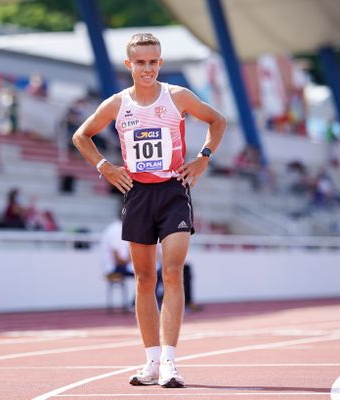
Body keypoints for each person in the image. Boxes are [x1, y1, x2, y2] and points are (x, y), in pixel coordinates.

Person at [72, 33, 226, 388]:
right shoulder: (117, 104)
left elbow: (217, 121)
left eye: (153, 61)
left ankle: (171, 362)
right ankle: (151, 362)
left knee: (172, 273)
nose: (147, 68)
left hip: (173, 191)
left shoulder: (177, 97)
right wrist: (105, 167)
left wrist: (203, 159)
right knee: (144, 280)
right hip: (137, 193)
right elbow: (82, 136)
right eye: (140, 62)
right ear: (129, 65)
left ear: (160, 62)